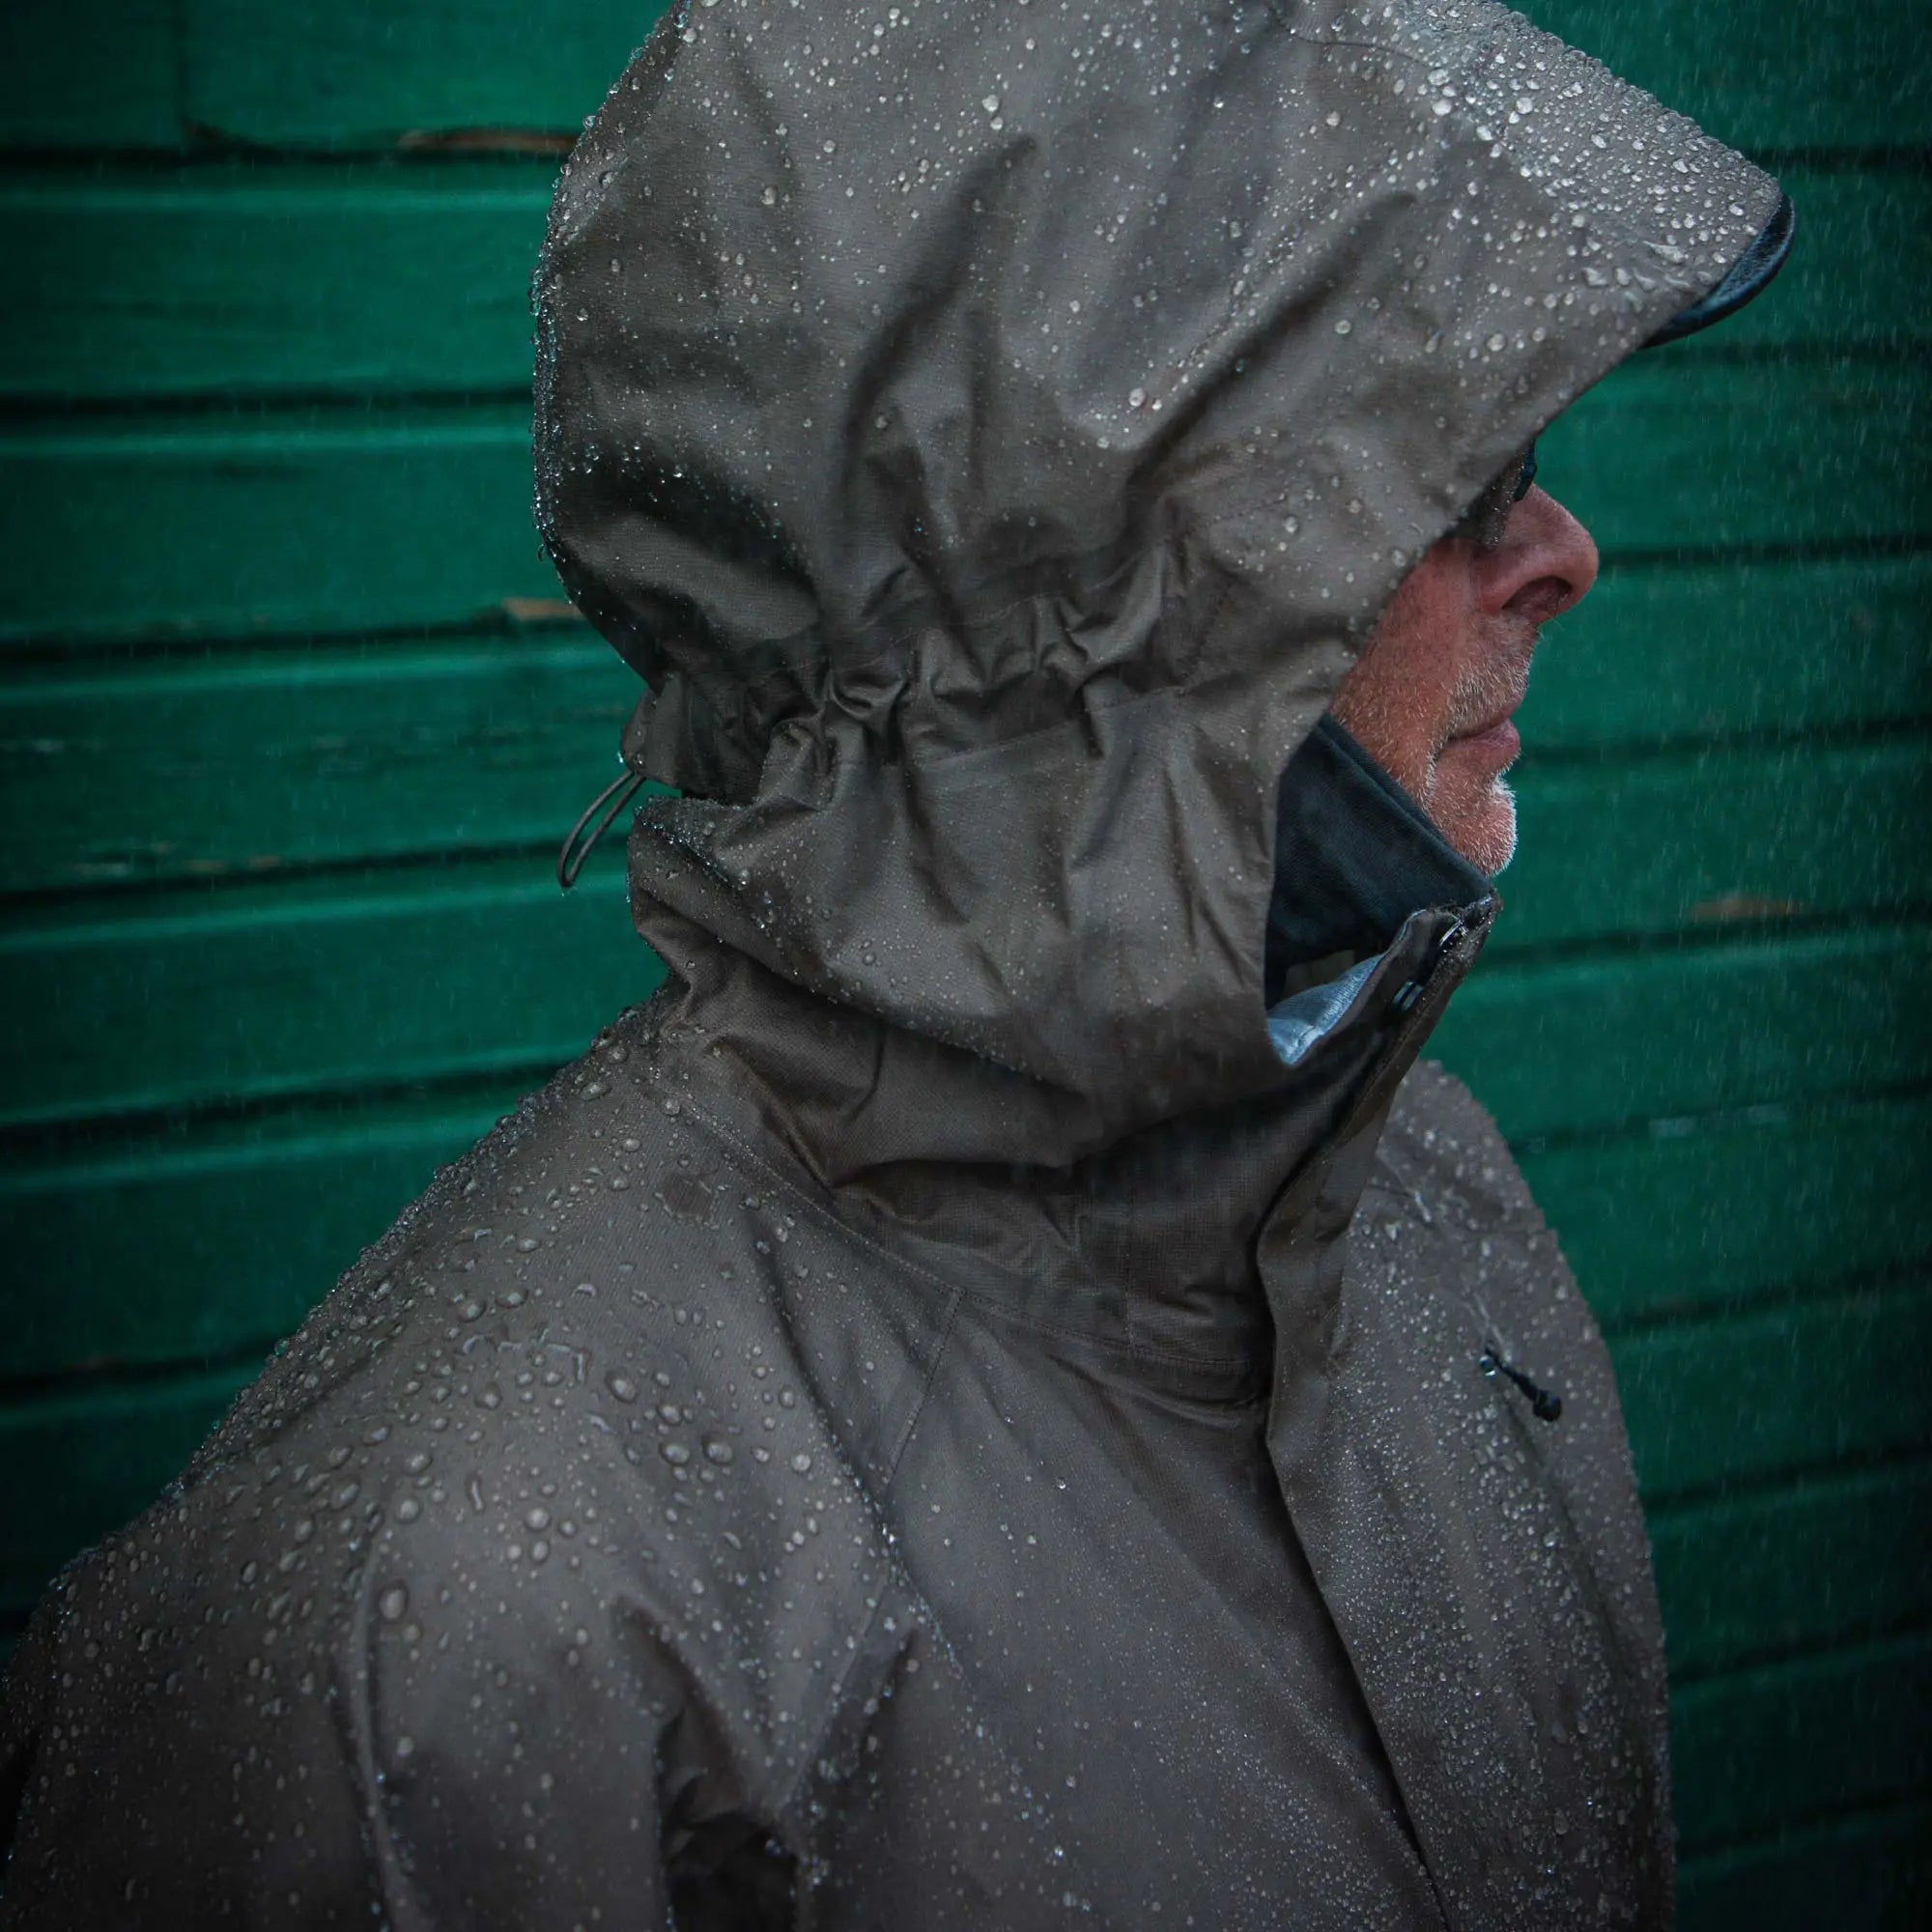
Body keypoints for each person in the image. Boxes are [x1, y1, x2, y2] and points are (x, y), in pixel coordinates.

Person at [0, 1, 1791, 1924]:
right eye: (1451, 468)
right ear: (1080, 579)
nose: (1563, 552)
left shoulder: (1429, 1204)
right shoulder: (443, 1633)